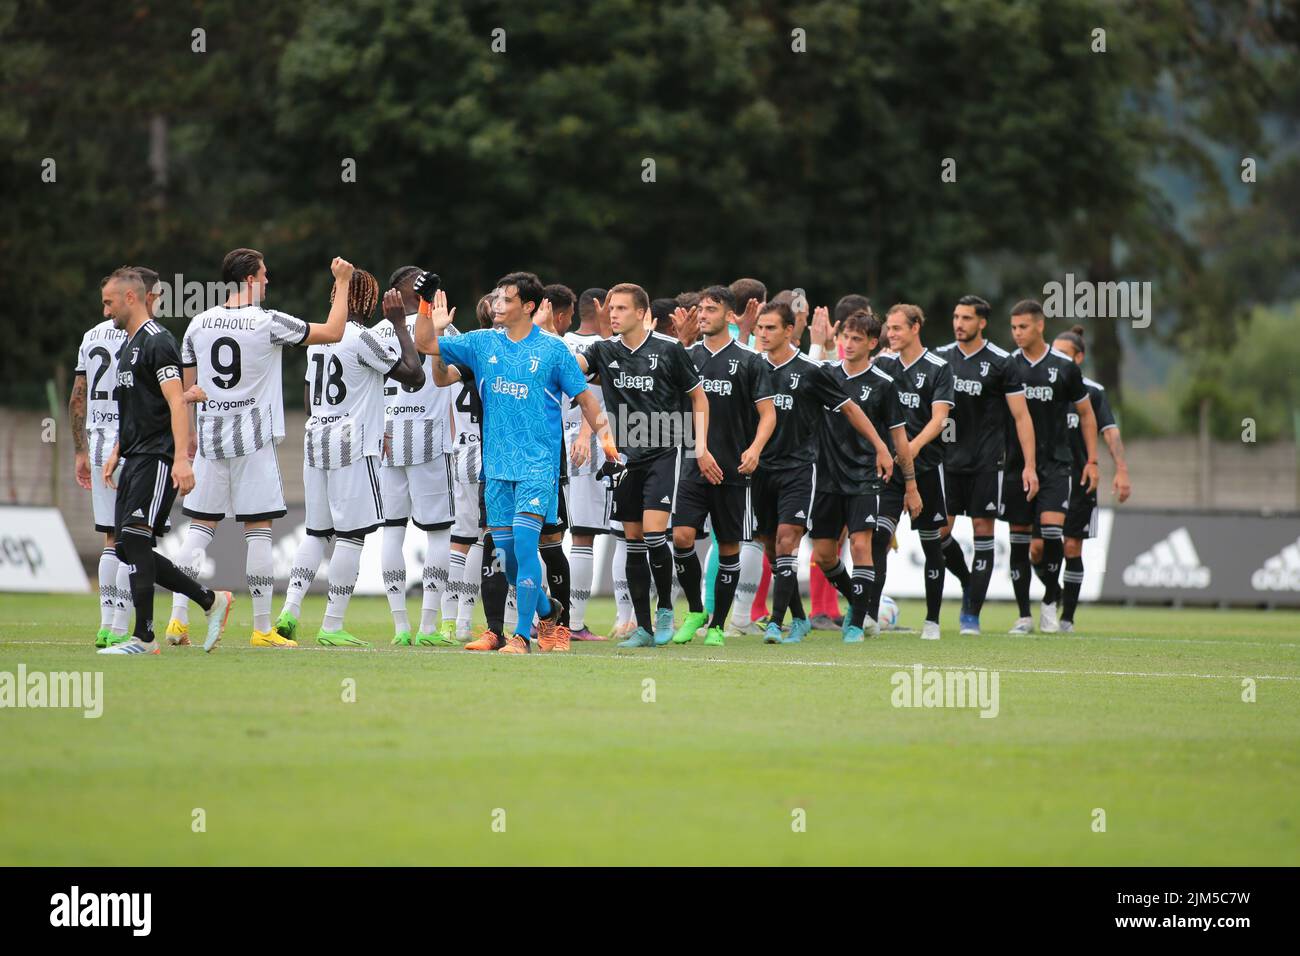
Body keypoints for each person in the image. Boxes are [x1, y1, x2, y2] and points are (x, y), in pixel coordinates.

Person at [416, 271, 612, 654]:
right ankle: (548, 609)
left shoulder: (555, 351)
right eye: (496, 298)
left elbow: (587, 399)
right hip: (497, 467)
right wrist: (427, 311)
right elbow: (425, 345)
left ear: (529, 306)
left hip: (538, 466)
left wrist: (605, 437)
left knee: (525, 544)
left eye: (506, 300)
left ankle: (522, 635)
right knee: (504, 557)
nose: (497, 305)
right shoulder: (482, 342)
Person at [175, 248, 345, 647]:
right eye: (265, 274)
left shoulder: (197, 324)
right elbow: (333, 332)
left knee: (199, 530)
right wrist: (341, 282)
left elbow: (186, 393)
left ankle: (177, 620)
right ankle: (262, 629)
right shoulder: (268, 322)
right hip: (253, 441)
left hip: (212, 440)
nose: (268, 281)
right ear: (250, 279)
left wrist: (188, 441)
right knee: (259, 531)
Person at [274, 271, 424, 647]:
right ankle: (332, 623)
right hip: (353, 444)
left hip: (316, 439)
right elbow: (414, 376)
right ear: (370, 301)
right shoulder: (362, 338)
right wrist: (400, 326)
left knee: (315, 533)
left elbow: (310, 397)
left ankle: (289, 610)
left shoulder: (318, 342)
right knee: (352, 535)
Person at [572, 283, 720, 647]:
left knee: (655, 534)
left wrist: (699, 446)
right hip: (625, 459)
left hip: (665, 454)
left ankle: (666, 610)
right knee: (633, 539)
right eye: (611, 309)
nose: (613, 314)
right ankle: (642, 626)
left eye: (621, 308)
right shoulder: (604, 351)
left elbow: (698, 399)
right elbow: (569, 370)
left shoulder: (669, 350)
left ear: (641, 312)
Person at [96, 265, 233, 655]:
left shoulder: (158, 341)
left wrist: (181, 460)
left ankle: (144, 637)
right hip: (134, 456)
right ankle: (210, 601)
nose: (106, 312)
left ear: (130, 298)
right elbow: (143, 405)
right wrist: (117, 450)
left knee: (136, 538)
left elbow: (175, 399)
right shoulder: (128, 345)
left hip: (157, 457)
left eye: (108, 303)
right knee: (126, 547)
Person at [752, 300, 894, 645]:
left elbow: (851, 410)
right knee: (783, 549)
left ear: (790, 331)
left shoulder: (812, 372)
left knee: (793, 541)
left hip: (803, 469)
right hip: (761, 471)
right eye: (760, 328)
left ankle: (794, 622)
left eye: (771, 328)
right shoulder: (751, 368)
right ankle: (803, 617)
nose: (764, 334)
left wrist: (880, 446)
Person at [666, 285, 776, 647]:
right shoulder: (688, 356)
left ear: (730, 317)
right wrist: (679, 346)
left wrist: (756, 449)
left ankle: (717, 625)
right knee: (681, 537)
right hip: (691, 465)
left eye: (711, 309)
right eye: (700, 308)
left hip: (733, 469)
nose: (703, 315)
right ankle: (696, 609)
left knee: (729, 547)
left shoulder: (750, 360)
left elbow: (768, 414)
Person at [810, 308, 920, 642]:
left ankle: (856, 623)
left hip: (865, 478)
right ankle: (859, 602)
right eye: (846, 337)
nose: (850, 343)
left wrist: (911, 485)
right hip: (826, 478)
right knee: (824, 555)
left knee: (862, 545)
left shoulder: (885, 384)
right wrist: (819, 344)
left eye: (857, 338)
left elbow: (899, 438)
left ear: (873, 342)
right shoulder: (826, 374)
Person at [933, 294, 1038, 636]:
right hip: (946, 462)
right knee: (939, 533)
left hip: (986, 463)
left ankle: (970, 614)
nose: (959, 324)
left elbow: (1021, 417)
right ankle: (967, 580)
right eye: (956, 317)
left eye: (966, 318)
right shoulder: (940, 358)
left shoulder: (1002, 362)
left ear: (981, 323)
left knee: (983, 532)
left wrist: (1029, 465)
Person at [1001, 300, 1100, 634]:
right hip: (1016, 466)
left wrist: (1093, 460)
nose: (1017, 333)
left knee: (1054, 534)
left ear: (1039, 326)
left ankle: (1049, 600)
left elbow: (1087, 415)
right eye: (1013, 328)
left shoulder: (1064, 367)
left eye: (1023, 327)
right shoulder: (1008, 365)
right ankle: (1023, 616)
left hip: (1057, 465)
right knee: (1022, 542)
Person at [374, 266, 459, 647]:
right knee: (439, 532)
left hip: (388, 439)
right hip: (430, 437)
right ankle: (427, 626)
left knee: (392, 531)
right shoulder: (442, 329)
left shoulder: (375, 333)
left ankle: (400, 628)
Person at [1029, 325, 1130, 632]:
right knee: (1036, 548)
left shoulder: (1093, 392)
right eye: (1053, 353)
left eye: (1063, 354)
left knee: (1072, 547)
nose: (1056, 359)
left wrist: (1121, 469)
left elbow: (1109, 432)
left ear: (1079, 357)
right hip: (1047, 477)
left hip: (1081, 478)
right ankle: (1053, 591)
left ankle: (1067, 618)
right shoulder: (1042, 386)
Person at [871, 304, 955, 641]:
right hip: (889, 469)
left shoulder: (938, 368)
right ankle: (869, 616)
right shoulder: (882, 364)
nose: (890, 335)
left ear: (916, 327)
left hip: (926, 467)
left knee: (932, 545)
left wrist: (913, 448)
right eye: (888, 329)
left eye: (896, 328)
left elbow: (939, 419)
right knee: (878, 537)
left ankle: (932, 621)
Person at [72, 276, 134, 647]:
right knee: (133, 538)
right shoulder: (143, 335)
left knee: (111, 537)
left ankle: (107, 625)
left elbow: (78, 397)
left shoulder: (91, 336)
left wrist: (79, 450)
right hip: (132, 445)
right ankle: (122, 626)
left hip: (97, 444)